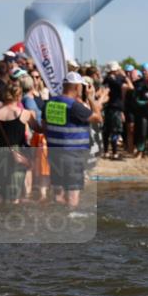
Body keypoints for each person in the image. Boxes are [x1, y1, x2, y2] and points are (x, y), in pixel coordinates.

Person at [41, 72, 102, 208]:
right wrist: (91, 98)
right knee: (72, 196)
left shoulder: (50, 103)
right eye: (81, 86)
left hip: (54, 154)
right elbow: (98, 118)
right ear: (76, 87)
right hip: (73, 156)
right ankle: (70, 222)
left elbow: (44, 127)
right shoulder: (75, 106)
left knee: (58, 193)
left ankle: (58, 221)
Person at [0, 82, 34, 204]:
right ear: (19, 96)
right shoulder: (24, 113)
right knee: (13, 196)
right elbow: (39, 129)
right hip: (15, 155)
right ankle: (11, 221)